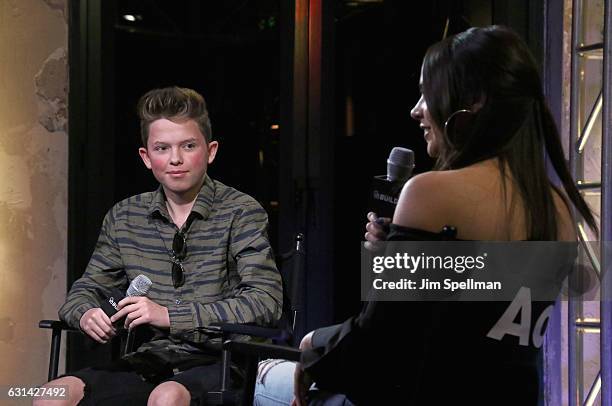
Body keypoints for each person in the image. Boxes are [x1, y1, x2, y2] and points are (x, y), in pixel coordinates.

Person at [253, 25, 597, 405]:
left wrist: (312, 343)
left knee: (264, 380)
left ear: (475, 100)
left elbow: (377, 349)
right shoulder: (559, 209)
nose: (416, 110)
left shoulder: (431, 192)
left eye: (426, 93)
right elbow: (475, 323)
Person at [36, 86, 283, 406]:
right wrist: (86, 315)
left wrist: (170, 315)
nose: (176, 159)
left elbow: (265, 301)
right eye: (162, 148)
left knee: (166, 397)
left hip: (223, 362)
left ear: (210, 151)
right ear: (146, 157)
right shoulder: (125, 216)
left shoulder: (241, 212)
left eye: (188, 146)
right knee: (49, 396)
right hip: (152, 360)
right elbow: (84, 291)